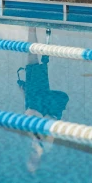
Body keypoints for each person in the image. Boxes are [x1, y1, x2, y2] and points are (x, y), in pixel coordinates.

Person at [17, 27, 69, 173]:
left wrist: (25, 96)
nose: (31, 160)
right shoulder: (45, 147)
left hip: (34, 99)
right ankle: (32, 28)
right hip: (40, 102)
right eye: (33, 162)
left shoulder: (32, 146)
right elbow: (52, 121)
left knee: (32, 61)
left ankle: (33, 29)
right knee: (32, 60)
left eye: (30, 162)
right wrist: (37, 114)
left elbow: (29, 117)